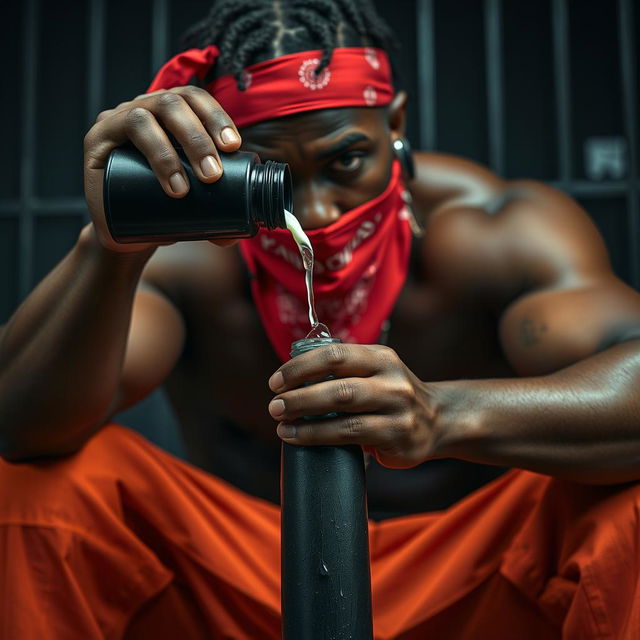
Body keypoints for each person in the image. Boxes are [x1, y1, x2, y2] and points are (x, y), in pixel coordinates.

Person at [2, 0, 640, 637]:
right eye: (271, 175)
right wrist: (110, 244)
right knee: (40, 494)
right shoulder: (189, 261)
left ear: (396, 120)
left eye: (346, 162)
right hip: (247, 585)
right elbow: (21, 428)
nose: (316, 210)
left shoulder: (491, 234)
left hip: (472, 577)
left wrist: (444, 413)